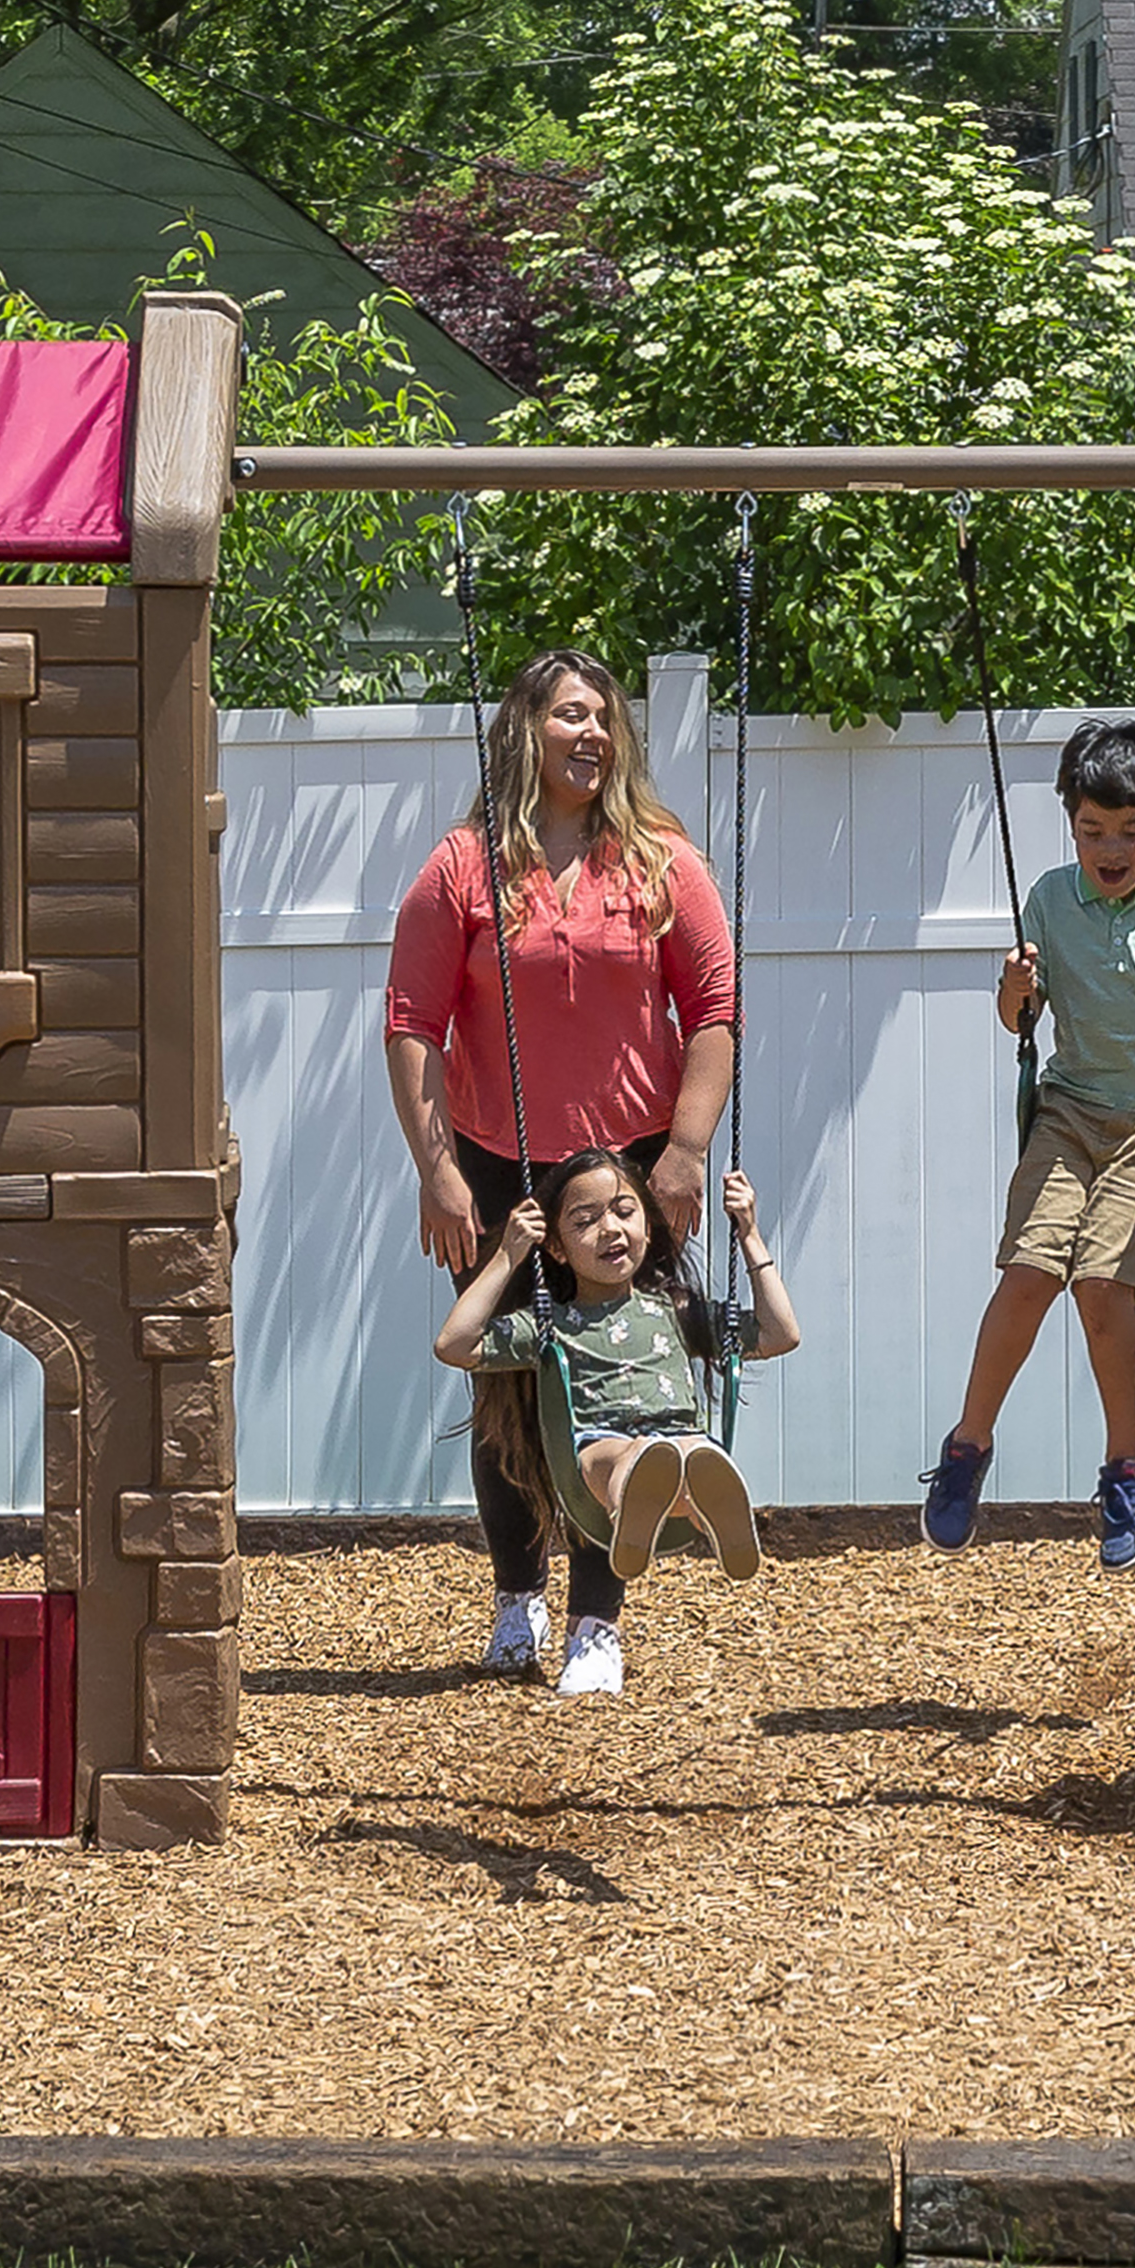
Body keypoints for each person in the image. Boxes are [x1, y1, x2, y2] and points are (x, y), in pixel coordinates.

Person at [385, 649, 736, 1697]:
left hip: (629, 1166)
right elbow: (411, 1025)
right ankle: (512, 1597)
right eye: (569, 715)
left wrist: (683, 1151)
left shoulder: (662, 860)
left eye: (604, 718)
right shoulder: (462, 866)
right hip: (498, 1167)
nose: (590, 734)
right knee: (507, 1386)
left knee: (617, 1388)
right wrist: (437, 1170)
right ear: (524, 729)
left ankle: (595, 1620)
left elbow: (712, 1008)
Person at [924, 715, 1135, 1572]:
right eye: (1092, 831)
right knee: (1029, 1272)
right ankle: (966, 1449)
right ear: (1071, 824)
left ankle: (1129, 1468)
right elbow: (1020, 1022)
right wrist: (1013, 990)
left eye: (1131, 832)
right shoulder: (1051, 901)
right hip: (1068, 1111)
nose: (1111, 849)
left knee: (1103, 1290)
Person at [435, 1155, 798, 1610]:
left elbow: (780, 1333)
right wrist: (509, 1254)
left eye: (624, 1212)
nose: (610, 1229)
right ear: (558, 1249)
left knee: (690, 1451)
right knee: (626, 1455)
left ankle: (713, 1504)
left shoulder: (677, 1312)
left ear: (648, 1224)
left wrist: (750, 1235)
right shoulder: (555, 1326)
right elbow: (456, 1345)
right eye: (585, 1220)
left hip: (679, 1442)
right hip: (599, 1456)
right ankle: (639, 1496)